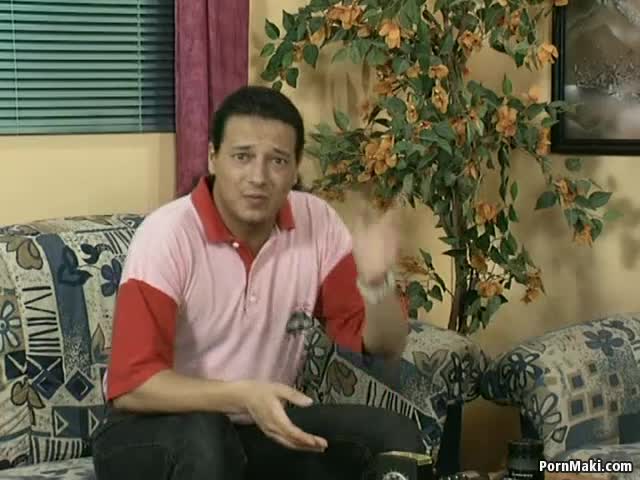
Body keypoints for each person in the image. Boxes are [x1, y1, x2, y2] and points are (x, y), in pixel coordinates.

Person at [91, 85, 425, 480]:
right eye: (242, 156)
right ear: (213, 158)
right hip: (149, 431)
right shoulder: (168, 235)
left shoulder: (317, 222)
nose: (258, 177)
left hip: (260, 423)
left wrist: (377, 282)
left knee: (394, 433)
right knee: (205, 435)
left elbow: (385, 345)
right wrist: (243, 395)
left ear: (295, 168)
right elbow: (132, 386)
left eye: (277, 160)